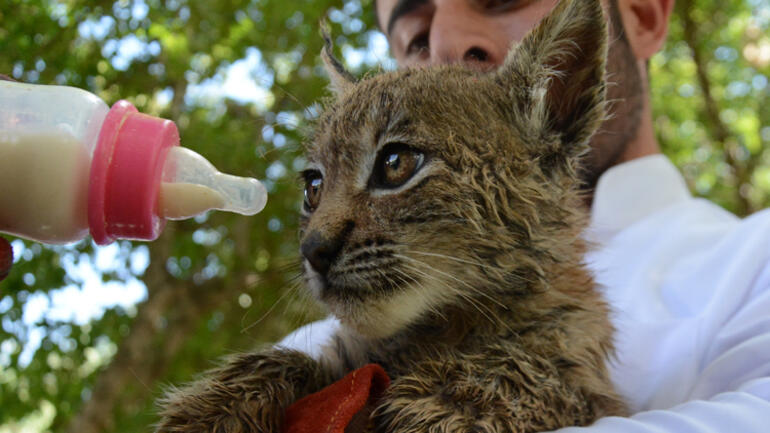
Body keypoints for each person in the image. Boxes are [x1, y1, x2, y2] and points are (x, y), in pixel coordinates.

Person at [279, 0, 770, 432]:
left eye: (502, 0)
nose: (446, 42)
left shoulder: (756, 259)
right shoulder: (312, 343)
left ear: (641, 14)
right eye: (416, 38)